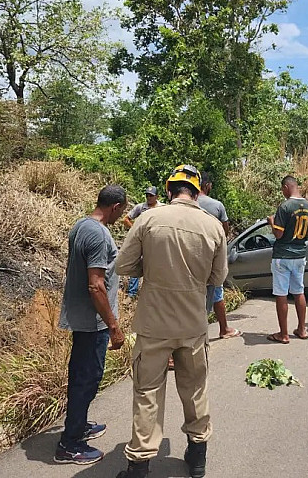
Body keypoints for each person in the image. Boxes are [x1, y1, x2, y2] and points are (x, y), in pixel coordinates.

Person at [114, 164, 228, 478]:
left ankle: (139, 464)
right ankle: (198, 457)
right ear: (199, 190)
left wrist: (151, 271)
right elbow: (218, 277)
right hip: (193, 324)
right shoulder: (213, 226)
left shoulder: (148, 218)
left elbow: (123, 265)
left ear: (168, 190)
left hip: (153, 324)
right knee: (195, 390)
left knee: (148, 391)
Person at [54, 185, 128, 465]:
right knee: (87, 378)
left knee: (83, 375)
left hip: (83, 318)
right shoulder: (98, 234)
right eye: (121, 212)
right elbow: (96, 285)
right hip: (92, 321)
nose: (121, 218)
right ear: (116, 207)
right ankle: (69, 444)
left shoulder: (81, 226)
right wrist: (114, 326)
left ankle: (79, 425)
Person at [266, 175, 308, 344]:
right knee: (299, 291)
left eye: (282, 189)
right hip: (300, 254)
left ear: (287, 187)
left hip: (283, 255)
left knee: (281, 294)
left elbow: (278, 234)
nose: (283, 192)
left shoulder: (285, 206)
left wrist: (271, 223)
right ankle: (302, 329)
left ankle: (284, 334)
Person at [197, 172, 241, 340]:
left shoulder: (184, 204)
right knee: (216, 292)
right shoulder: (216, 205)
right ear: (207, 186)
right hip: (211, 258)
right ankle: (223, 329)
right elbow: (224, 231)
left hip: (187, 259)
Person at [122, 186, 163, 297]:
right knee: (137, 264)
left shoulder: (162, 208)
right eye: (147, 195)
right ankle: (132, 293)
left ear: (156, 197)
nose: (148, 198)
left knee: (156, 266)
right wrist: (135, 230)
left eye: (151, 196)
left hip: (157, 241)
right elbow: (126, 219)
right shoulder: (140, 207)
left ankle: (152, 293)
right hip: (143, 240)